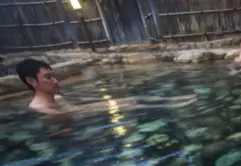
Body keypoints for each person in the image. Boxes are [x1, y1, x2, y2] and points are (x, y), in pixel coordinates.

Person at [16, 58, 197, 116]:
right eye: (48, 77)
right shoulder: (41, 110)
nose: (56, 80)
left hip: (79, 109)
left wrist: (100, 101)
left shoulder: (58, 98)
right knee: (131, 104)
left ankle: (173, 100)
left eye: (54, 75)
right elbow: (78, 112)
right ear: (32, 81)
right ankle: (173, 105)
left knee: (131, 99)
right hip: (81, 112)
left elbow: (80, 105)